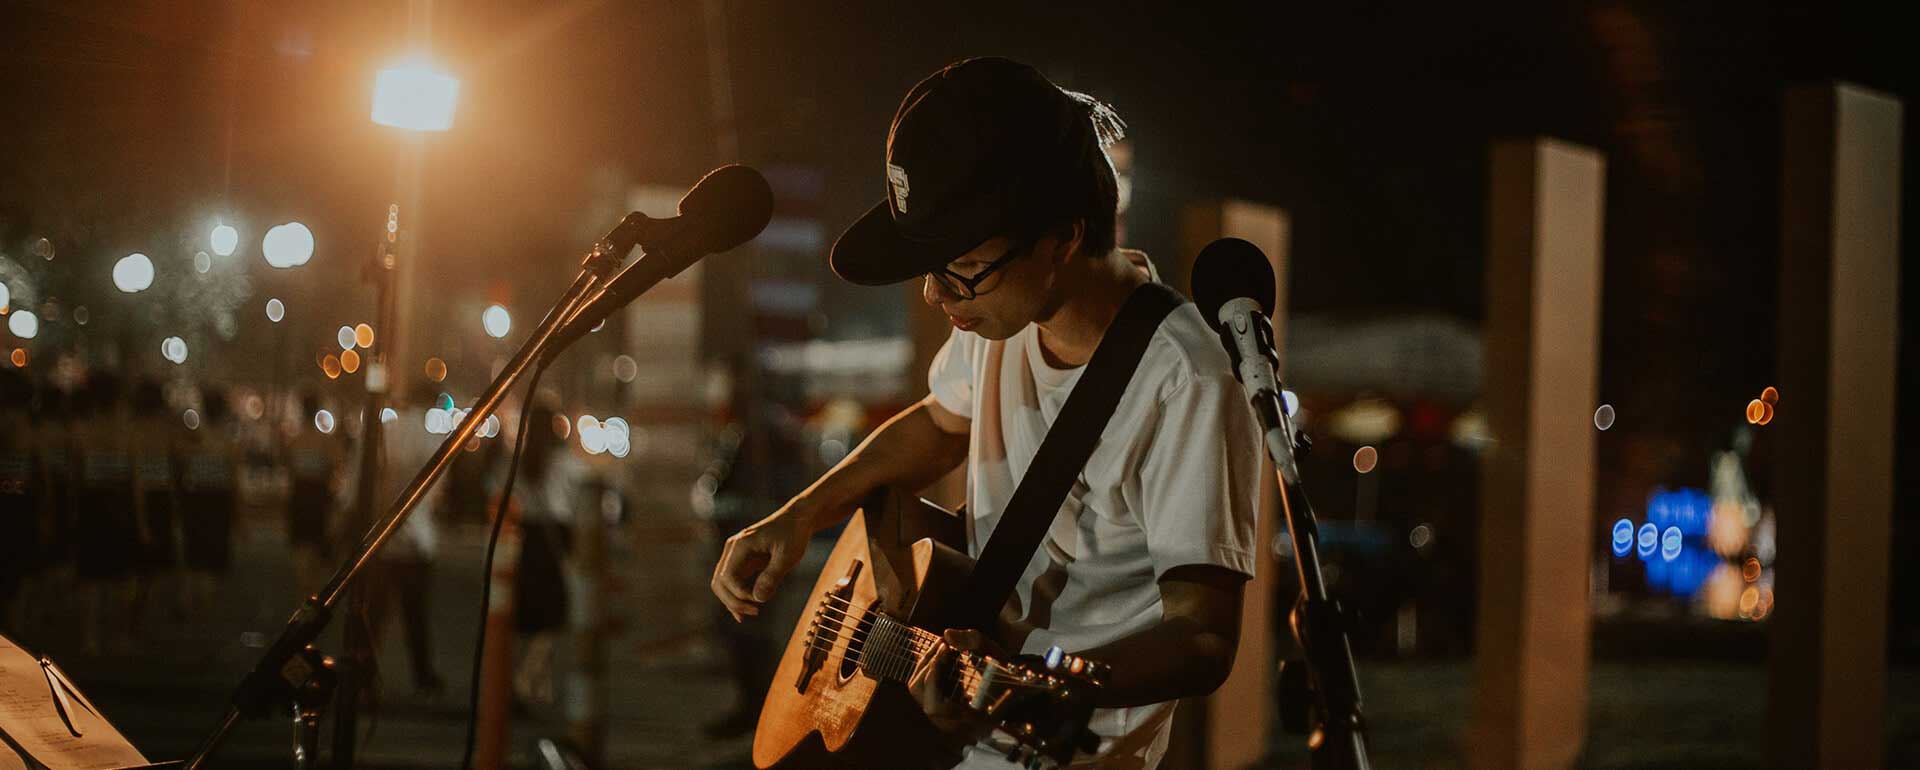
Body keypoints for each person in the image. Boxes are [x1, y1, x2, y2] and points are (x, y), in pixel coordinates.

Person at [709, 57, 1262, 769]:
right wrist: (800, 515)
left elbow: (1204, 635)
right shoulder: (1000, 312)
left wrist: (1041, 682)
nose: (936, 296)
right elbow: (939, 424)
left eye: (961, 269)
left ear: (1061, 238)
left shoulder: (1185, 381)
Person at [506, 401, 586, 707]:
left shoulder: (524, 459)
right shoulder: (564, 460)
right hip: (555, 539)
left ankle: (537, 685)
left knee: (529, 617)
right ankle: (526, 679)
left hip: (529, 540)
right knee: (554, 617)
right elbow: (580, 496)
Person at [177, 387, 241, 615]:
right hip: (218, 501)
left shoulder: (193, 440)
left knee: (194, 551)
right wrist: (239, 514)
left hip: (195, 500)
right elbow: (234, 481)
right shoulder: (227, 443)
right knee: (213, 553)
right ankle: (205, 603)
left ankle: (189, 598)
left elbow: (181, 472)